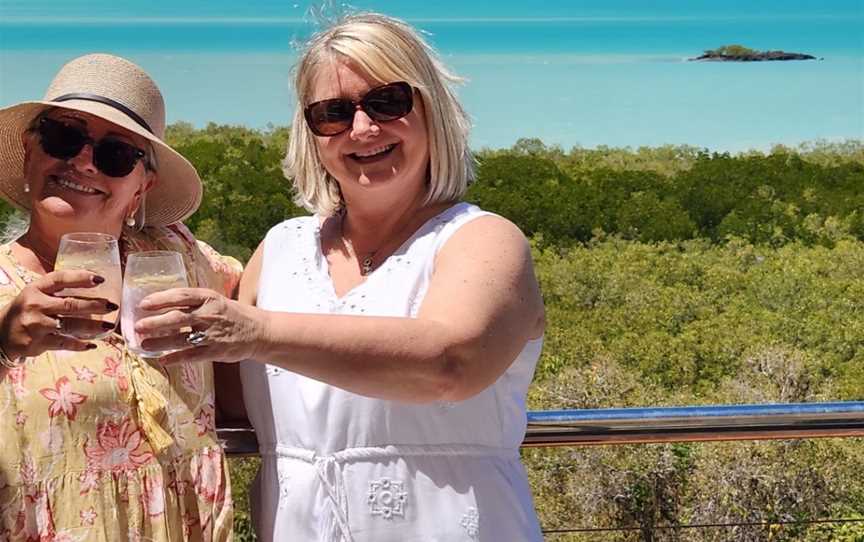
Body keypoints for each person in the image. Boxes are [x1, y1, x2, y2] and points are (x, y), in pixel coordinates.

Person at [134, 12, 546, 541]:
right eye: (333, 113)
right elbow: (226, 400)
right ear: (311, 134)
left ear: (431, 109)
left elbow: (451, 362)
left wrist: (253, 331)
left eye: (388, 101)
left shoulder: (484, 240)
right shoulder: (280, 248)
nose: (363, 128)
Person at [0, 54, 238, 541]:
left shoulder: (178, 254)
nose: (83, 162)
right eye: (64, 137)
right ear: (30, 152)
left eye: (115, 155)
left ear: (141, 186)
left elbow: (263, 291)